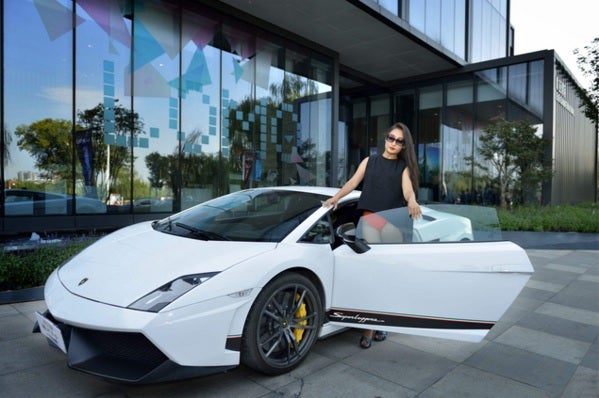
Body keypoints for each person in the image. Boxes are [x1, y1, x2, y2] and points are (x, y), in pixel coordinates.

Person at [323, 122, 422, 349]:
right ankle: (373, 324)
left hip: (392, 223)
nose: (393, 143)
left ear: (404, 145)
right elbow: (352, 182)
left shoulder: (403, 168)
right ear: (385, 138)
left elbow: (407, 190)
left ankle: (376, 324)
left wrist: (413, 200)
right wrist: (336, 197)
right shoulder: (369, 161)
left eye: (399, 141)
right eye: (391, 138)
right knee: (372, 274)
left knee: (385, 275)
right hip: (369, 219)